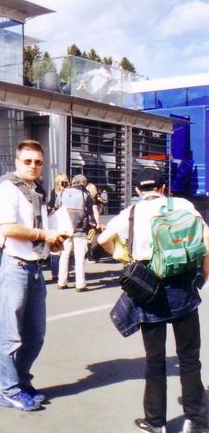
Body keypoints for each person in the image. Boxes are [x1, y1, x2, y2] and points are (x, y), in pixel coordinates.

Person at [99, 168, 209, 433]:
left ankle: (156, 421)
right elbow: (206, 240)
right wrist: (203, 277)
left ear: (137, 190)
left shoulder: (131, 213)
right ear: (162, 188)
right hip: (183, 287)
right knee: (190, 357)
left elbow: (103, 239)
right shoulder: (182, 205)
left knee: (155, 359)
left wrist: (123, 256)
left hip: (149, 290)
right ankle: (196, 420)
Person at [0, 139, 67, 412]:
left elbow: (38, 229)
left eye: (38, 162)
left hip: (35, 267)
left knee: (35, 335)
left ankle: (22, 381)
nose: (33, 166)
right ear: (17, 162)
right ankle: (9, 390)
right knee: (10, 335)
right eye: (27, 161)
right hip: (15, 266)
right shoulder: (7, 189)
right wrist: (43, 235)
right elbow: (8, 228)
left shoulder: (37, 191)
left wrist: (51, 243)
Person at [55, 174, 100, 292]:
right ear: (84, 184)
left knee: (64, 255)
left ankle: (61, 282)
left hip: (65, 229)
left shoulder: (62, 193)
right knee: (79, 257)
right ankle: (80, 285)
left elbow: (56, 206)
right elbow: (91, 212)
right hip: (80, 229)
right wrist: (94, 225)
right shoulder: (86, 195)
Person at [47, 173, 70, 283]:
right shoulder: (65, 192)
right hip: (63, 221)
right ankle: (59, 272)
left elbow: (53, 205)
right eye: (64, 181)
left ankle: (57, 273)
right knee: (62, 248)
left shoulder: (56, 192)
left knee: (59, 248)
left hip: (59, 222)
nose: (66, 183)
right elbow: (53, 205)